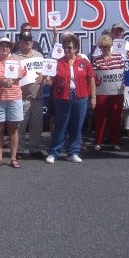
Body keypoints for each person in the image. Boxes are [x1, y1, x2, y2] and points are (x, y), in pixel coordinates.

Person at [45, 34, 96, 164]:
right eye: (65, 48)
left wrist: (93, 98)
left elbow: (91, 80)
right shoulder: (58, 62)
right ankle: (54, 152)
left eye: (69, 48)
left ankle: (73, 152)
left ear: (76, 48)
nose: (67, 50)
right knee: (60, 126)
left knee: (77, 126)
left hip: (81, 97)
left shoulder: (84, 62)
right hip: (63, 98)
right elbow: (51, 79)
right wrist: (48, 80)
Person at [0, 37, 26, 168]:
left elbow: (21, 73)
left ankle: (13, 157)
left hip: (14, 97)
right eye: (2, 46)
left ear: (10, 48)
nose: (5, 48)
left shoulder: (16, 61)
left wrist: (14, 79)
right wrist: (4, 81)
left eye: (7, 46)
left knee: (13, 129)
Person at [12, 31, 45, 158]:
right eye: (25, 40)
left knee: (37, 126)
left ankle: (34, 149)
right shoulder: (14, 57)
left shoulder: (39, 56)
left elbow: (46, 73)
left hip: (37, 97)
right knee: (20, 126)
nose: (29, 42)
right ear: (20, 42)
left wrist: (45, 77)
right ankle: (19, 150)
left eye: (30, 39)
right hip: (21, 98)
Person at [91, 34, 124, 152]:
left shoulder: (118, 58)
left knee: (115, 118)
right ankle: (98, 141)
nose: (105, 49)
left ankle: (115, 141)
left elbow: (123, 74)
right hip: (102, 93)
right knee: (100, 118)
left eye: (107, 47)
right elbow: (94, 77)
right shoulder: (97, 61)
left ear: (110, 47)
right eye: (103, 47)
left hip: (116, 94)